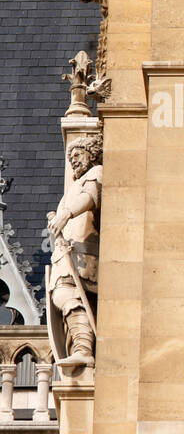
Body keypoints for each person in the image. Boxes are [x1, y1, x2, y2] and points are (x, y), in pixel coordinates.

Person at [47, 134, 102, 368]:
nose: (73, 161)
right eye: (70, 157)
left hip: (84, 254)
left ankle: (83, 347)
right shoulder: (75, 186)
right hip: (70, 255)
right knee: (63, 294)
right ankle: (82, 346)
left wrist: (66, 214)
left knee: (66, 293)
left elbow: (90, 197)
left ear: (91, 154)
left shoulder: (96, 172)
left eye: (77, 155)